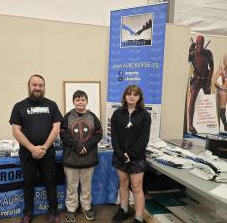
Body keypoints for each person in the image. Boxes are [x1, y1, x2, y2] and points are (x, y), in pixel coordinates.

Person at [9, 74, 63, 223]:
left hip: (48, 152)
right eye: (35, 85)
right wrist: (32, 148)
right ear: (28, 86)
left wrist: (44, 147)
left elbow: (56, 127)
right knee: (28, 183)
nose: (38, 88)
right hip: (27, 153)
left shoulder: (52, 105)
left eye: (41, 85)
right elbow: (16, 130)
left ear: (44, 87)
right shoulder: (19, 106)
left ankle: (53, 211)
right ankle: (27, 213)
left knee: (50, 181)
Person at [60, 90, 103, 223]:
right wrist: (77, 146)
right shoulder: (67, 117)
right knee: (71, 186)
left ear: (86, 101)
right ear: (73, 101)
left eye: (83, 99)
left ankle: (86, 206)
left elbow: (98, 133)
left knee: (86, 186)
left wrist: (87, 146)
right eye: (77, 99)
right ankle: (71, 209)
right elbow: (63, 134)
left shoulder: (93, 117)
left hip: (88, 159)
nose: (80, 102)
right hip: (71, 158)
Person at [110, 85, 151, 223]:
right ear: (125, 96)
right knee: (123, 183)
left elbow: (143, 139)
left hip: (137, 157)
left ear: (139, 97)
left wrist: (131, 154)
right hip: (120, 156)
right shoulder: (117, 114)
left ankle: (139, 217)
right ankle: (124, 209)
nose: (131, 97)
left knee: (137, 187)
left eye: (135, 94)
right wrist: (121, 154)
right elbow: (114, 137)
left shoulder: (145, 115)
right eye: (129, 94)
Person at [188, 35, 214, 134]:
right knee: (192, 100)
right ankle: (190, 124)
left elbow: (211, 66)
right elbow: (186, 63)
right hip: (196, 79)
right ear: (196, 44)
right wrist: (189, 50)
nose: (200, 46)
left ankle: (208, 123)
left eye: (201, 44)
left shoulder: (208, 53)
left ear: (203, 44)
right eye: (198, 44)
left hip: (206, 79)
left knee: (208, 101)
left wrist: (209, 79)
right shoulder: (192, 54)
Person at [213, 54, 227, 131]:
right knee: (222, 109)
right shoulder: (222, 70)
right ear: (224, 62)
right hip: (224, 91)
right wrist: (221, 87)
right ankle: (225, 125)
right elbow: (214, 80)